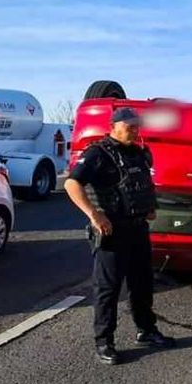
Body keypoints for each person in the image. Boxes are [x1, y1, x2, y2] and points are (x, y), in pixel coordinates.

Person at [64, 108, 174, 365]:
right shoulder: (98, 153)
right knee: (108, 289)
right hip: (111, 231)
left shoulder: (138, 152)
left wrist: (150, 207)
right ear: (114, 126)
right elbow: (72, 184)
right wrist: (94, 215)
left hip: (137, 229)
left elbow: (143, 183)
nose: (135, 130)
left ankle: (146, 330)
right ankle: (104, 342)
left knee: (142, 283)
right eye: (130, 126)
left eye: (137, 126)